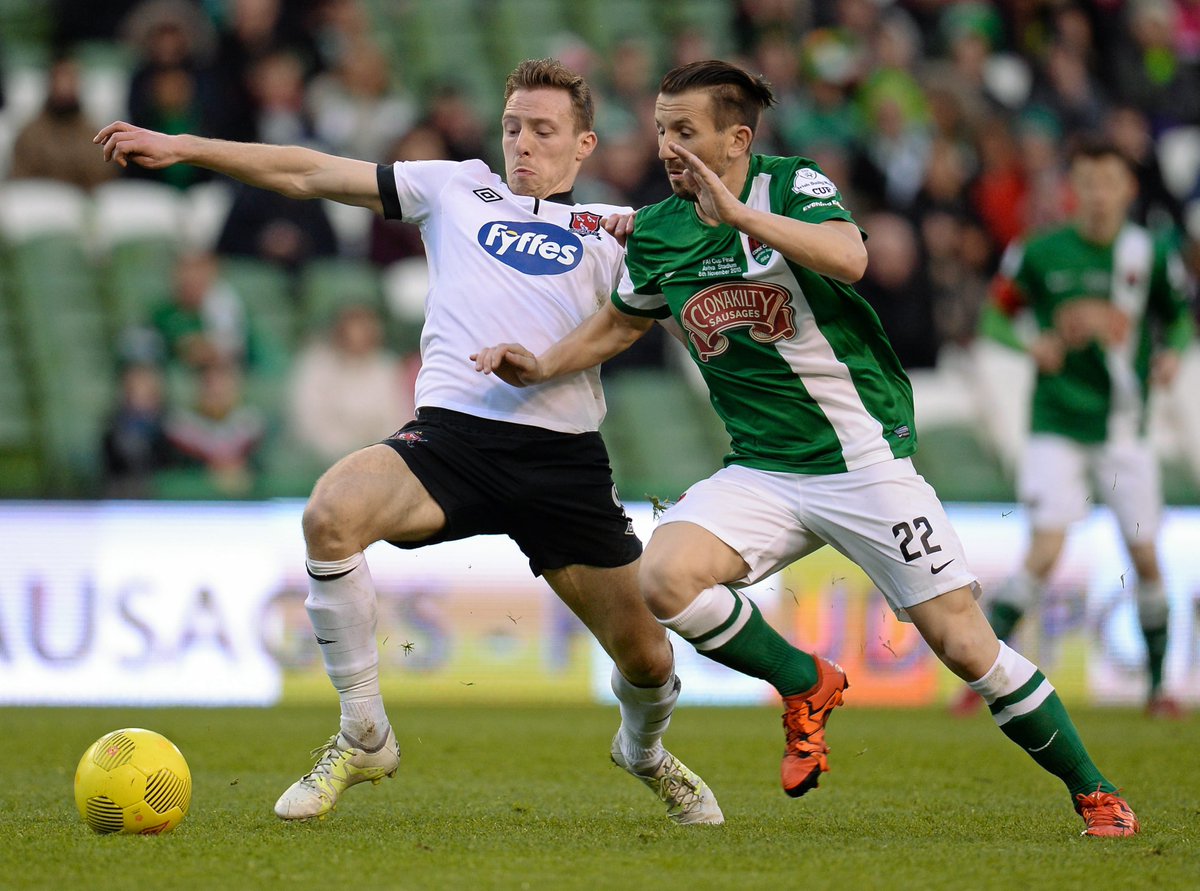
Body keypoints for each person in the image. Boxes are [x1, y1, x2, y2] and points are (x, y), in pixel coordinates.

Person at [473, 59, 1141, 838]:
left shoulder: (792, 184)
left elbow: (850, 257)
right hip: (761, 468)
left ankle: (1097, 792)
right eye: (660, 129)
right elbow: (623, 321)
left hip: (861, 460)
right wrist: (543, 364)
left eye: (684, 131)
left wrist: (740, 217)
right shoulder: (659, 228)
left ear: (737, 139)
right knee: (664, 575)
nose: (666, 147)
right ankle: (805, 680)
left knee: (966, 644)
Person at [95, 58, 722, 826]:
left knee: (650, 660)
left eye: (543, 129)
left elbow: (681, 315)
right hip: (451, 439)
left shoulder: (615, 227)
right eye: (512, 127)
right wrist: (185, 147)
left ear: (584, 143)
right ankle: (364, 733)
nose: (523, 143)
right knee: (330, 514)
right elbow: (308, 171)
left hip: (563, 459)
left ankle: (644, 750)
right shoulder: (455, 187)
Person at [963, 139, 1193, 719]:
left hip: (1123, 428)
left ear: (1128, 189)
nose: (1097, 195)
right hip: (1056, 424)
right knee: (1044, 550)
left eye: (1108, 182)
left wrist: (1173, 353)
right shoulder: (1039, 251)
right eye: (1087, 182)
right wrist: (1031, 343)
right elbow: (996, 314)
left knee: (1145, 556)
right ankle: (979, 678)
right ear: (1074, 189)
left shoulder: (1148, 252)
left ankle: (1159, 689)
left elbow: (1179, 317)